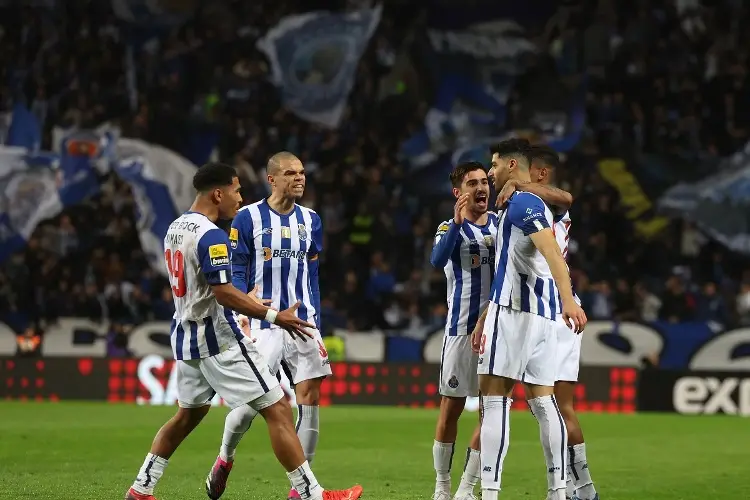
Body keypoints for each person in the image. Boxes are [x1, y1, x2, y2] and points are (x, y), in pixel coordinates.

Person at [125, 162, 362, 500]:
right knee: (278, 408)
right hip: (218, 341)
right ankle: (312, 494)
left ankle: (141, 487)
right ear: (217, 194)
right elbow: (223, 293)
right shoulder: (212, 236)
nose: (240, 197)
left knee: (186, 417)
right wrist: (272, 315)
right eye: (235, 190)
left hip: (186, 339)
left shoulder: (176, 228)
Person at [208, 152, 333, 500]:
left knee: (310, 398)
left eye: (303, 173)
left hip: (303, 321)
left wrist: (316, 320)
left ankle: (301, 492)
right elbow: (235, 270)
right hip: (263, 324)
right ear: (272, 179)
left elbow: (313, 274)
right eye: (291, 173)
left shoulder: (312, 220)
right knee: (252, 405)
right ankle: (224, 458)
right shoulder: (247, 218)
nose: (300, 179)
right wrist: (244, 312)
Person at [471, 139, 587, 500]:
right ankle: (558, 490)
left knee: (494, 400)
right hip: (539, 317)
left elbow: (553, 254)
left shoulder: (522, 203)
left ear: (510, 165)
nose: (490, 172)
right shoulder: (530, 203)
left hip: (516, 314)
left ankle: (489, 491)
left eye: (494, 165)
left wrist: (569, 301)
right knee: (543, 401)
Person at [429, 161, 498, 500]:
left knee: (492, 411)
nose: (481, 188)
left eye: (484, 181)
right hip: (460, 330)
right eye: (472, 183)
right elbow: (436, 260)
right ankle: (442, 486)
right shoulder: (447, 228)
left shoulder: (501, 225)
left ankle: (466, 489)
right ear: (458, 193)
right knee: (450, 410)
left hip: (498, 332)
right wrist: (457, 223)